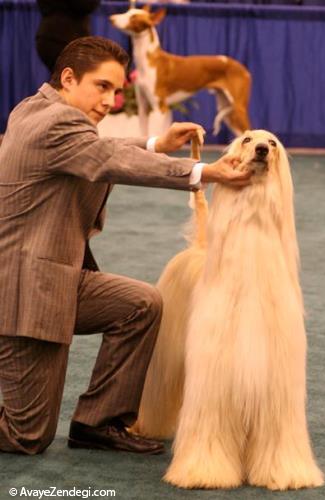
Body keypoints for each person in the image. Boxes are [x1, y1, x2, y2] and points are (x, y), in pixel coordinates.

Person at [0, 36, 251, 456]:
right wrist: (204, 171)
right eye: (102, 87)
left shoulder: (34, 106)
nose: (111, 101)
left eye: (117, 91)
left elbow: (97, 149)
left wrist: (156, 144)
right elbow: (107, 160)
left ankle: (98, 422)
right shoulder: (57, 123)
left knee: (141, 303)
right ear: (68, 77)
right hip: (27, 291)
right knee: (28, 436)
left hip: (55, 275)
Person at [36, 0, 101, 72]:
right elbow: (87, 5)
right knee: (70, 76)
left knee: (59, 77)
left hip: (47, 35)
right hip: (65, 38)